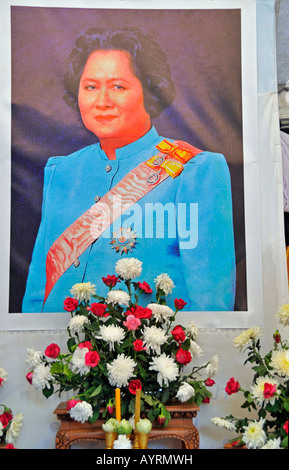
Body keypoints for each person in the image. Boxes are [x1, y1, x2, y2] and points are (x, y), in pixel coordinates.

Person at [22, 27, 236, 313]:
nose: (102, 101)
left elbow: (210, 305)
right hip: (57, 354)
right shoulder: (62, 171)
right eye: (90, 86)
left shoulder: (194, 170)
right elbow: (37, 295)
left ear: (150, 92)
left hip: (146, 353)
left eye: (118, 86)